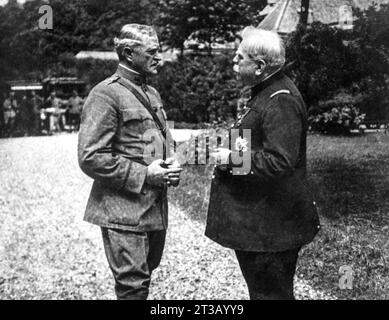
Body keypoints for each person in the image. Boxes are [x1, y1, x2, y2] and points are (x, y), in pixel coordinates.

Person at [206, 27, 321, 300]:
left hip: (272, 227)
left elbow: (280, 162)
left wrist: (231, 160)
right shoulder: (266, 92)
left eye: (239, 57)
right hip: (264, 225)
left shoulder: (280, 100)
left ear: (259, 66)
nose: (234, 62)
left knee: (271, 296)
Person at [78, 23, 182, 300]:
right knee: (133, 287)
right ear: (128, 53)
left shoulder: (151, 93)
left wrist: (171, 163)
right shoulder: (105, 95)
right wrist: (145, 175)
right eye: (152, 52)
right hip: (122, 211)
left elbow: (157, 141)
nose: (159, 58)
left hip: (152, 207)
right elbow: (90, 156)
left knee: (145, 276)